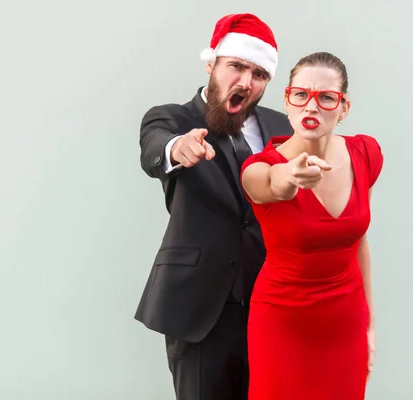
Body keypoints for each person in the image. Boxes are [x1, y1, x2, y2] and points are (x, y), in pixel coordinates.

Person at [134, 13, 292, 400]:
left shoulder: (281, 126)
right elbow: (156, 148)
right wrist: (178, 149)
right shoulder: (172, 118)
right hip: (201, 307)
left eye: (258, 74)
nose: (245, 81)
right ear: (212, 64)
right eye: (236, 66)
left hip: (270, 305)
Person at [240, 51, 384, 399]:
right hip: (282, 323)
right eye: (301, 95)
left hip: (345, 320)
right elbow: (270, 183)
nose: (311, 106)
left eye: (326, 97)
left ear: (343, 107)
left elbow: (357, 241)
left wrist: (369, 323)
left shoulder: (365, 154)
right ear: (287, 102)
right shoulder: (259, 167)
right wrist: (289, 175)